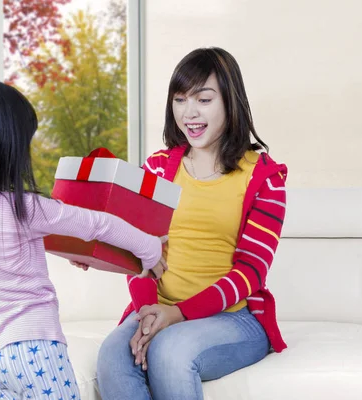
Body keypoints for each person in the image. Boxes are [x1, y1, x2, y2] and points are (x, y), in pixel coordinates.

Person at [0, 80, 167, 400]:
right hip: (34, 352)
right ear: (7, 149)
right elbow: (98, 224)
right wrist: (149, 248)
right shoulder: (23, 208)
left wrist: (79, 254)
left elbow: (7, 252)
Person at [94, 47, 288, 400]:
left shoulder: (264, 177)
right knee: (112, 355)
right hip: (156, 308)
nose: (190, 112)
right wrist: (149, 312)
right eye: (180, 99)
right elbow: (136, 252)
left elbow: (251, 273)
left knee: (170, 351)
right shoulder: (157, 169)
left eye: (204, 99)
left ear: (230, 101)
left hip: (233, 318)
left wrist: (178, 314)